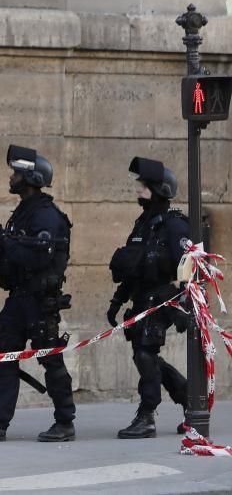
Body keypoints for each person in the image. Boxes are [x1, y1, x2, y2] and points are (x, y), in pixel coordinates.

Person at [0, 145, 76, 442]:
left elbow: (38, 258)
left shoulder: (47, 216)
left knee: (50, 361)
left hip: (39, 302)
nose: (11, 177)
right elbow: (13, 257)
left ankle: (65, 421)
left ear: (31, 178)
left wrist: (5, 244)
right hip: (18, 300)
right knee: (4, 359)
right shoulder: (23, 214)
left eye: (17, 173)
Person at [107, 156, 189, 439]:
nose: (138, 191)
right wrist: (117, 302)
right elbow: (132, 267)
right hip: (143, 298)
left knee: (145, 353)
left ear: (160, 189)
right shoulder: (143, 224)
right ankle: (190, 398)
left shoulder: (175, 225)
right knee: (145, 355)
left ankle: (147, 416)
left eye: (143, 186)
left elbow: (189, 270)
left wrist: (181, 305)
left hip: (164, 297)